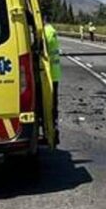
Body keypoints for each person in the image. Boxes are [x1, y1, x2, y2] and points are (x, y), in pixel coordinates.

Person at [43, 17, 61, 146]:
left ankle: (51, 133)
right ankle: (53, 130)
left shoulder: (46, 32)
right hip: (55, 73)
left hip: (47, 73)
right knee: (53, 104)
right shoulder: (52, 30)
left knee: (48, 106)